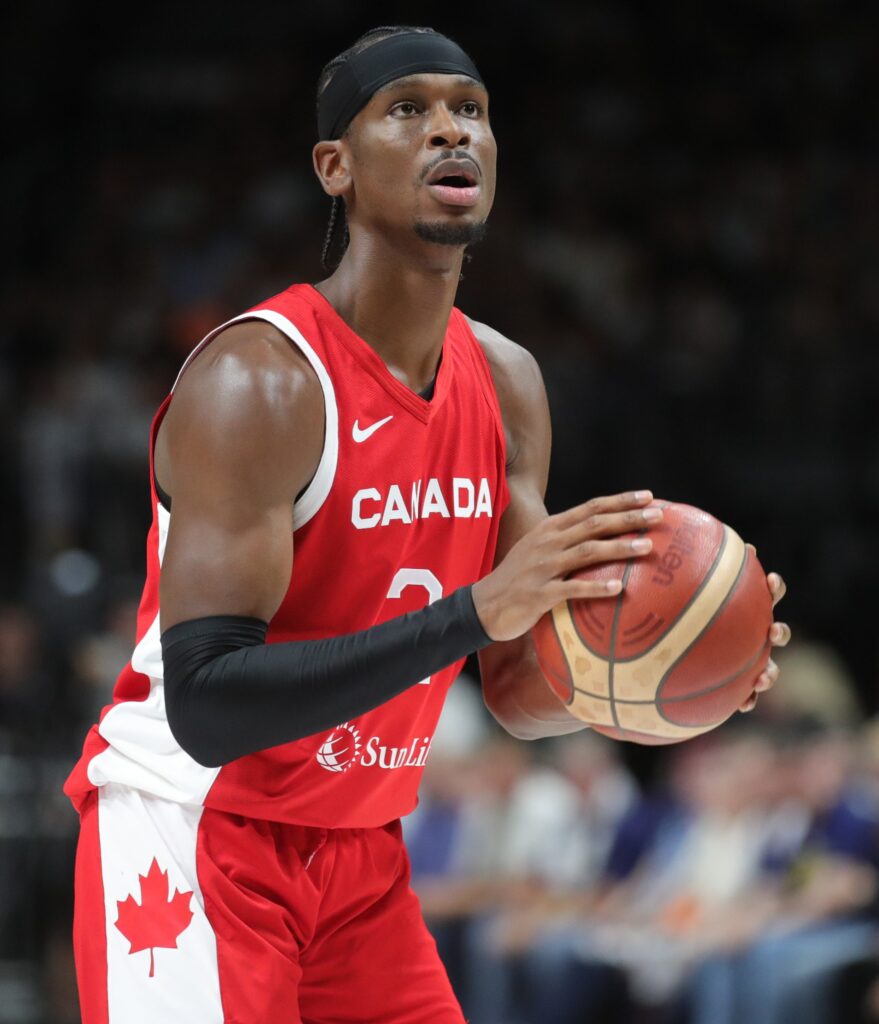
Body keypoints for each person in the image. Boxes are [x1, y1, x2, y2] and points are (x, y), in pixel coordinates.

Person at [62, 24, 790, 1023]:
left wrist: (669, 669)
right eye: (408, 110)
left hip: (361, 849)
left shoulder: (508, 382)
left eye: (471, 111)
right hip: (195, 828)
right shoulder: (260, 382)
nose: (451, 130)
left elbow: (517, 687)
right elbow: (208, 706)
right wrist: (473, 612)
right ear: (335, 166)